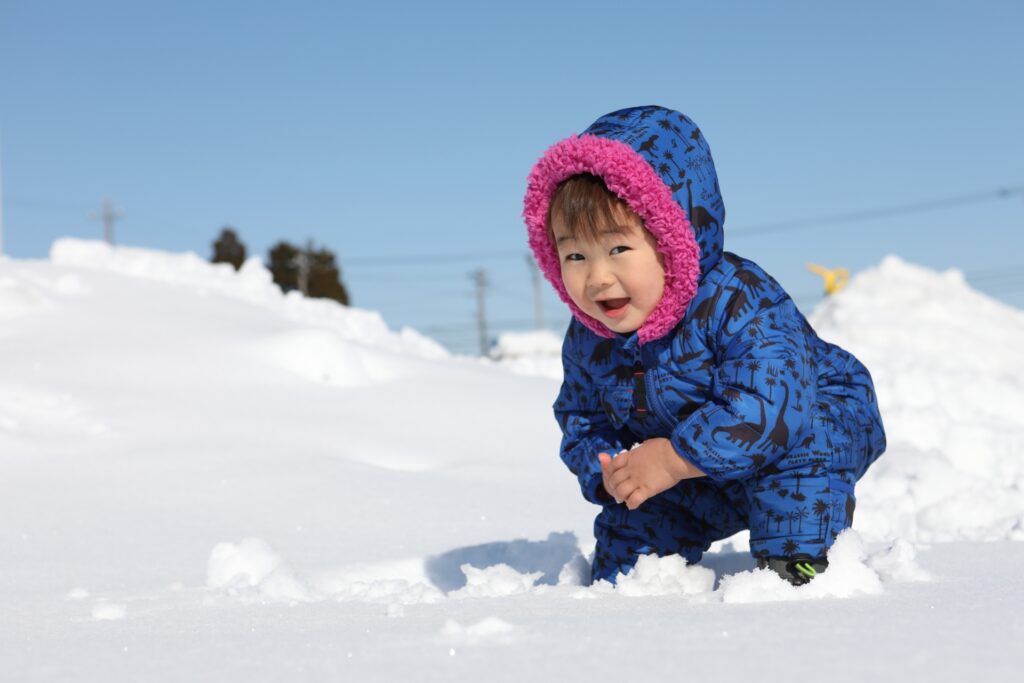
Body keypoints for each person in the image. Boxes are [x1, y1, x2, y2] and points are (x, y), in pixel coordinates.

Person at [522, 106, 886, 585]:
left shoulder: (739, 299)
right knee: (629, 542)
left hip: (802, 425)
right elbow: (581, 415)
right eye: (574, 255)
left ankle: (797, 566)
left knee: (802, 462)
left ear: (673, 238)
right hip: (691, 464)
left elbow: (770, 405)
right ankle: (631, 586)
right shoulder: (591, 339)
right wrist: (610, 468)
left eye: (617, 249)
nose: (596, 277)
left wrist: (673, 459)